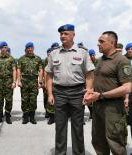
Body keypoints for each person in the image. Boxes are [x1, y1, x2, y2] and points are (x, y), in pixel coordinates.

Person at [45, 24, 95, 154]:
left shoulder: (82, 52)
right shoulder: (54, 53)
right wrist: (50, 93)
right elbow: (49, 74)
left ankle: (78, 153)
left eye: (66, 33)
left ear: (73, 35)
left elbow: (89, 73)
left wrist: (88, 92)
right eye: (61, 34)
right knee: (60, 127)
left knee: (78, 127)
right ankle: (60, 152)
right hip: (59, 93)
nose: (62, 36)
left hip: (77, 93)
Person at [85, 31, 132, 155]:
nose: (98, 44)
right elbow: (96, 79)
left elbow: (127, 87)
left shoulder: (121, 61)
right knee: (98, 141)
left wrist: (101, 95)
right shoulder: (100, 60)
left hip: (113, 108)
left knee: (115, 143)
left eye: (101, 41)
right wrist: (90, 91)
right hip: (98, 107)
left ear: (112, 43)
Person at [17, 42, 43, 124]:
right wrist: (19, 80)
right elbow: (19, 70)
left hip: (33, 82)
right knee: (24, 99)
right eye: (28, 48)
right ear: (26, 49)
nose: (30, 49)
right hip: (24, 81)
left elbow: (40, 70)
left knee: (33, 99)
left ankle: (32, 116)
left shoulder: (38, 59)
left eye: (31, 48)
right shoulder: (21, 59)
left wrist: (40, 81)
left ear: (33, 48)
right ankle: (25, 116)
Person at [0, 41, 17, 124]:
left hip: (8, 83)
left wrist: (14, 81)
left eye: (6, 47)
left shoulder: (11, 59)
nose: (4, 48)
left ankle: (7, 116)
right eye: (3, 47)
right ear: (0, 48)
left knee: (9, 100)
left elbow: (14, 70)